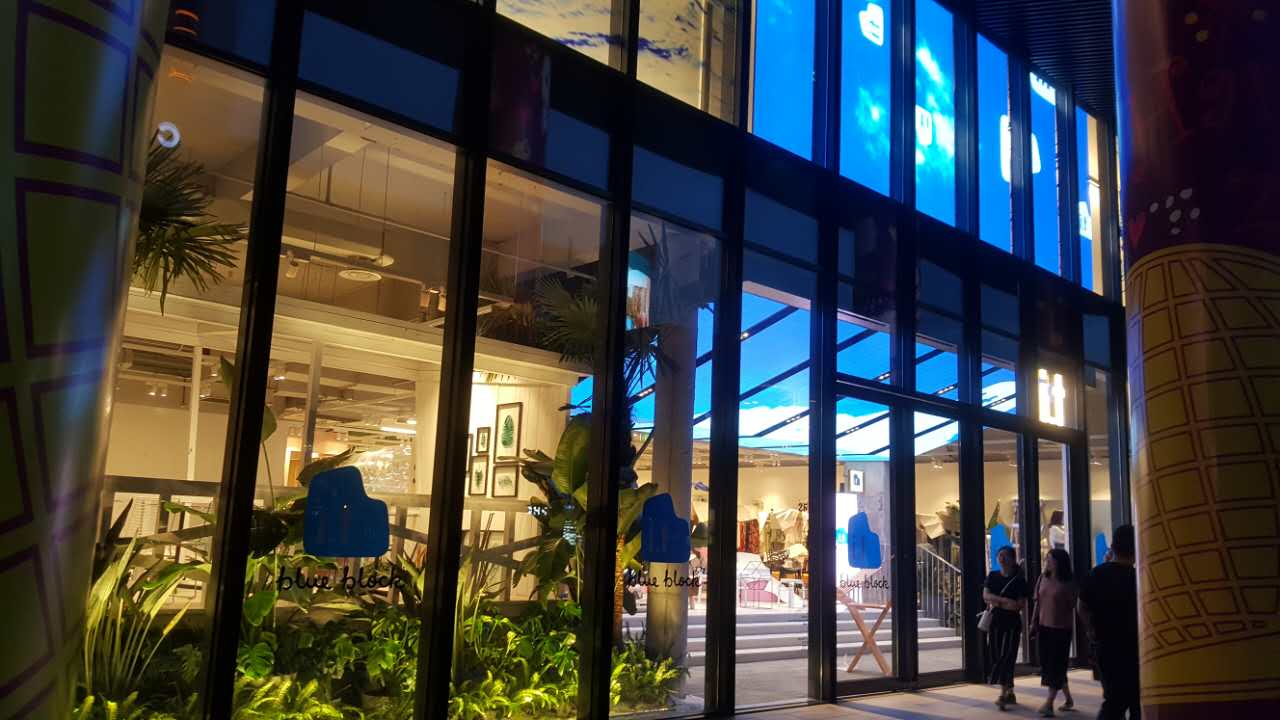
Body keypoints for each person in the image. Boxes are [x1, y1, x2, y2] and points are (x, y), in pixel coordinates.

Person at [1078, 524, 1140, 719]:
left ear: (1112, 546)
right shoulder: (1139, 577)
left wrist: (1090, 630)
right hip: (1136, 645)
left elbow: (1081, 606)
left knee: (1113, 698)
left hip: (1106, 644)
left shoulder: (1095, 575)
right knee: (1138, 699)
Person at [1033, 548, 1078, 716]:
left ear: (1059, 563)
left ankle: (1049, 703)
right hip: (1044, 626)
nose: (1047, 562)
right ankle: (1068, 699)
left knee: (1056, 665)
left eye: (1050, 560)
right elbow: (1037, 601)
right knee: (1049, 664)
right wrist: (1033, 622)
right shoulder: (1043, 578)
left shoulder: (1069, 582)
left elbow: (1072, 604)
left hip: (1061, 629)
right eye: (1047, 559)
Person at [985, 545, 1030, 710]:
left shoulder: (1019, 580)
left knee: (1007, 656)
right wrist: (1004, 601)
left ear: (1012, 559)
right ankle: (1010, 691)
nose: (1001, 559)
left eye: (1005, 556)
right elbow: (985, 596)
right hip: (995, 622)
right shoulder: (993, 576)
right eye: (1000, 555)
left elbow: (1018, 605)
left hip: (1012, 624)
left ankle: (1003, 694)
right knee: (996, 656)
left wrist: (995, 601)